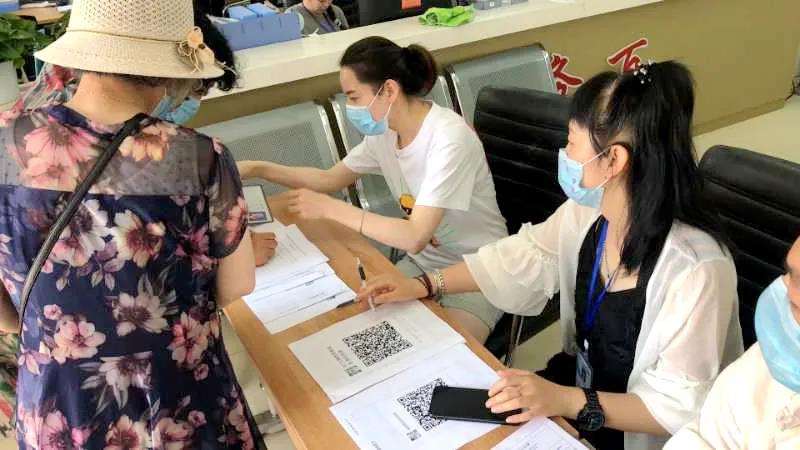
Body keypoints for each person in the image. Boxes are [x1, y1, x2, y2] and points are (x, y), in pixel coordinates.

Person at [359, 61, 744, 450]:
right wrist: (425, 284)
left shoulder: (695, 269)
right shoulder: (588, 213)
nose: (564, 154)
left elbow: (674, 409)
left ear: (614, 160)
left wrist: (564, 401)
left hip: (634, 432)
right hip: (576, 392)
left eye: (572, 143)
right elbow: (518, 258)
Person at [0, 0, 266, 448]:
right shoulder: (199, 158)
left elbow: (7, 319)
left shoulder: (5, 144)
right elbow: (237, 285)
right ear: (169, 73)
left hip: (61, 410)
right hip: (180, 403)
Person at [238, 37, 508, 342]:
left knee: (442, 350)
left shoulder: (448, 139)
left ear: (389, 90)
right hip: (421, 266)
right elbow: (329, 179)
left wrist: (331, 208)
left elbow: (414, 236)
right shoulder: (386, 133)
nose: (350, 108)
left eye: (353, 97)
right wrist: (258, 168)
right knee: (371, 334)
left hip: (478, 273)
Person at [665, 235, 800, 449]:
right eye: (791, 275)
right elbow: (705, 437)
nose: (788, 294)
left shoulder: (697, 265)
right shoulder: (778, 357)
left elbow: (671, 404)